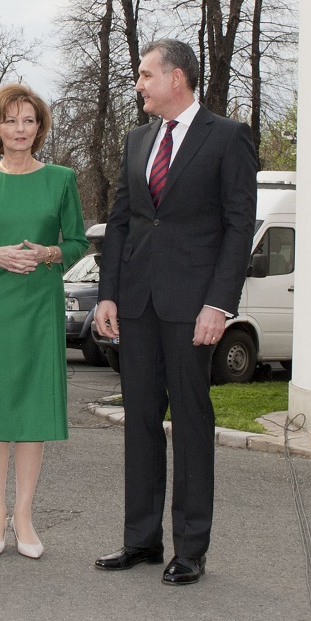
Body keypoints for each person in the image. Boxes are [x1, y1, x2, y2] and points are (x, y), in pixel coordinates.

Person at [93, 39, 257, 585]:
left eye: (145, 74)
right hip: (137, 305)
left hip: (193, 310)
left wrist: (219, 304)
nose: (138, 83)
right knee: (139, 421)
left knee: (190, 422)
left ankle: (190, 548)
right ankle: (140, 539)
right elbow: (121, 223)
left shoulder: (228, 137)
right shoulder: (138, 139)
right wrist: (108, 294)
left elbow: (239, 228)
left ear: (176, 79)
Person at [0, 83, 88, 560]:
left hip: (39, 307)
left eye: (28, 120)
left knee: (32, 412)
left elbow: (77, 243)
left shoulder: (61, 179)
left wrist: (51, 252)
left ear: (39, 127)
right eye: (10, 120)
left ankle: (25, 517)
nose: (20, 129)